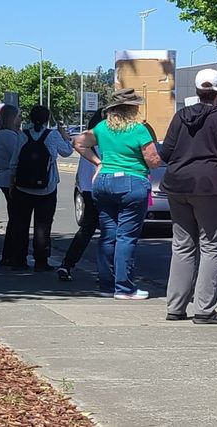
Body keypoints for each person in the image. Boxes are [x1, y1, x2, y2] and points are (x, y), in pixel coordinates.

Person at [159, 68, 217, 324]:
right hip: (210, 187)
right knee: (211, 247)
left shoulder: (180, 117)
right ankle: (205, 309)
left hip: (177, 185)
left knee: (182, 245)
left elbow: (166, 153)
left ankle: (175, 306)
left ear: (197, 92)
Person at [73, 89, 162, 299]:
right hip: (132, 182)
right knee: (126, 237)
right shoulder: (139, 130)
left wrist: (98, 163)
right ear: (132, 109)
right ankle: (124, 287)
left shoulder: (101, 128)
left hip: (104, 181)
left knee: (108, 234)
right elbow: (153, 160)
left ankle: (106, 284)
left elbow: (78, 142)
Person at [6, 106, 73, 272]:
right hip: (46, 188)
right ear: (46, 119)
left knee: (21, 224)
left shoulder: (23, 135)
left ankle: (18, 259)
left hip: (23, 187)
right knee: (43, 225)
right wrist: (65, 136)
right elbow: (67, 152)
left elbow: (14, 161)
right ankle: (41, 261)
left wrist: (12, 184)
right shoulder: (52, 135)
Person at [58, 108, 104, 282]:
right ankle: (105, 271)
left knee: (86, 230)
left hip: (86, 190)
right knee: (108, 233)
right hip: (103, 189)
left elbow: (81, 170)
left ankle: (67, 264)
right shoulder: (103, 143)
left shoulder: (85, 143)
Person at [0, 105, 22, 267]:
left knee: (15, 217)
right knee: (16, 219)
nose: (20, 120)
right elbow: (18, 155)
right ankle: (10, 254)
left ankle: (9, 254)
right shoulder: (9, 136)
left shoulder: (0, 134)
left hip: (3, 177)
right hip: (10, 179)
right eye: (18, 117)